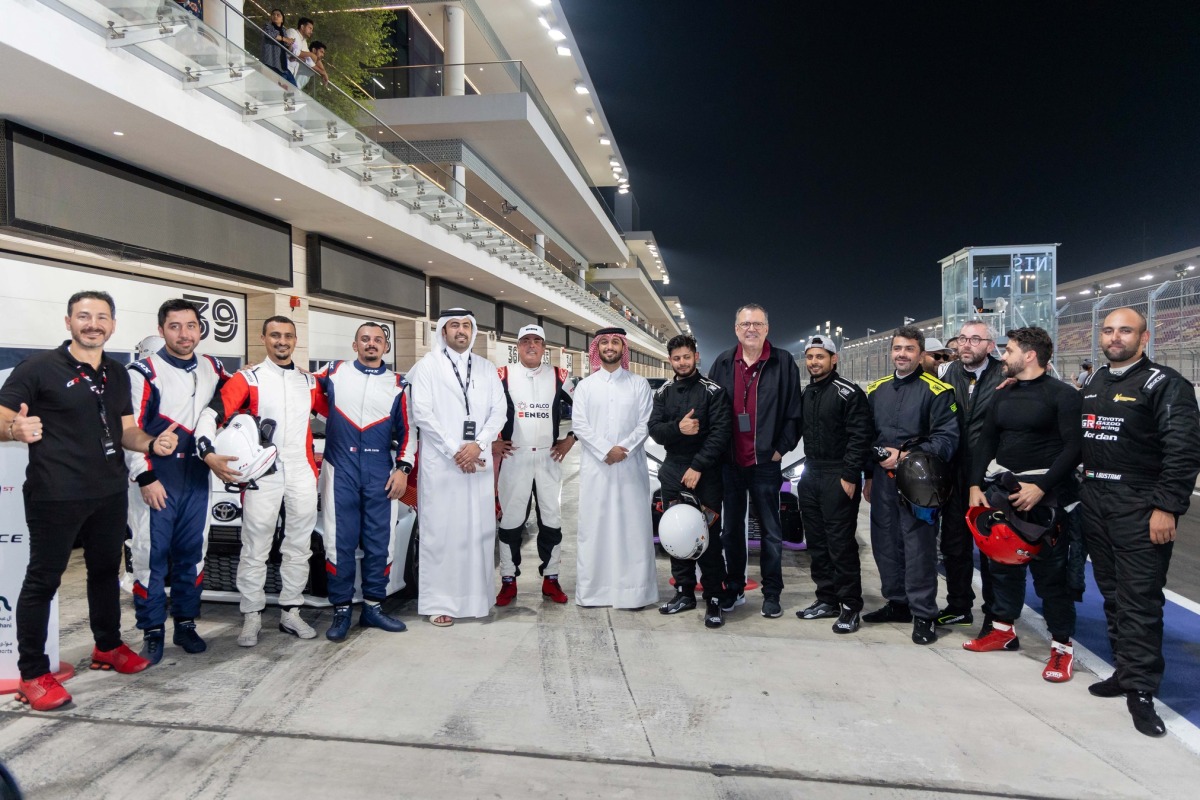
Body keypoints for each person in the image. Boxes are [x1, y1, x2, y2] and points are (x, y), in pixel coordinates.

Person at [0, 291, 158, 711]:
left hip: (108, 492)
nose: (93, 323)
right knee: (42, 582)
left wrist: (152, 442)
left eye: (102, 316)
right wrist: (14, 431)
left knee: (105, 572)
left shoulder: (117, 373)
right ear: (68, 321)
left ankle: (107, 647)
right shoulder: (38, 369)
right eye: (84, 316)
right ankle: (32, 674)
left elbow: (126, 430)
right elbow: (1, 414)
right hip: (56, 494)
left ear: (113, 325)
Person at [1079, 307, 1200, 737]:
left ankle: (1143, 691)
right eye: (1109, 330)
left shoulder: (1165, 384)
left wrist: (1167, 506)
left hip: (1140, 504)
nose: (1115, 337)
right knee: (1111, 595)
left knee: (1140, 601)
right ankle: (1125, 673)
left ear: (1144, 338)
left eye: (1125, 331)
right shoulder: (1094, 381)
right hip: (1095, 500)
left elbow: (1183, 451)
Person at [196, 316, 323, 647]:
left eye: (289, 336)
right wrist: (207, 450)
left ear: (296, 341)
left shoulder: (309, 382)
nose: (282, 341)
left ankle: (290, 611)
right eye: (275, 335)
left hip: (301, 469)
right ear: (264, 338)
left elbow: (343, 410)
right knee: (255, 545)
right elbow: (211, 414)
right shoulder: (248, 377)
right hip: (262, 473)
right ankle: (251, 615)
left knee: (299, 545)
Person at [966, 327, 1082, 683]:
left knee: (1051, 577)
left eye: (1011, 350)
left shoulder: (1063, 395)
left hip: (1047, 498)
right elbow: (986, 441)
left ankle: (1061, 648)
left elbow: (1075, 447)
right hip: (1003, 490)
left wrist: (1041, 486)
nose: (1004, 355)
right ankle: (1003, 630)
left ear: (1030, 355)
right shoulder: (1004, 394)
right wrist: (974, 485)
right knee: (1002, 565)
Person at [125, 299, 231, 664]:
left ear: (200, 330)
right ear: (161, 330)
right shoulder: (143, 373)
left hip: (197, 477)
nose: (184, 334)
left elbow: (234, 401)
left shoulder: (213, 367)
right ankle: (152, 632)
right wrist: (146, 476)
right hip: (158, 478)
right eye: (175, 326)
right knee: (149, 556)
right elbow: (130, 431)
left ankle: (186, 623)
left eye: (190, 326)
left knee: (192, 555)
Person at [313, 322, 416, 642]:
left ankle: (373, 607)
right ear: (354, 344)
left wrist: (403, 469)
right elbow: (293, 384)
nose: (371, 344)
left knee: (380, 541)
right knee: (336, 541)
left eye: (378, 340)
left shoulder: (399, 384)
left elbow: (411, 431)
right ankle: (341, 610)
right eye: (365, 339)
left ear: (386, 347)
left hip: (379, 470)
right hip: (339, 466)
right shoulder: (332, 373)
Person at [406, 309, 506, 627]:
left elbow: (499, 411)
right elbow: (422, 414)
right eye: (454, 326)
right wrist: (455, 450)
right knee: (441, 534)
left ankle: (478, 599)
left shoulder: (487, 368)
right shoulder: (426, 368)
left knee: (478, 533)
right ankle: (439, 602)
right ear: (443, 331)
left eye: (466, 325)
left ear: (473, 331)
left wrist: (478, 443)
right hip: (443, 465)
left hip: (477, 461)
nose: (461, 331)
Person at [863, 326, 959, 645]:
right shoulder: (876, 390)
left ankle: (924, 613)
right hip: (882, 483)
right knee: (885, 543)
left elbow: (947, 439)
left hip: (921, 482)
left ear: (920, 354)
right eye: (897, 348)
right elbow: (865, 437)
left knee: (918, 548)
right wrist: (868, 474)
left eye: (909, 349)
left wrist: (905, 455)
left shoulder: (937, 391)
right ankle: (898, 603)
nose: (902, 354)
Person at [707, 304, 802, 618]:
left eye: (757, 324)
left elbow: (793, 412)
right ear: (736, 329)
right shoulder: (722, 363)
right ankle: (734, 588)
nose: (751, 329)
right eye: (745, 324)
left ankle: (771, 593)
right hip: (730, 463)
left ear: (766, 328)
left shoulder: (783, 362)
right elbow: (710, 411)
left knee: (771, 532)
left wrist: (779, 450)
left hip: (765, 463)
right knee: (731, 530)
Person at [649, 334, 731, 628]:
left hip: (705, 472)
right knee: (674, 533)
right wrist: (678, 428)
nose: (681, 363)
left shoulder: (714, 391)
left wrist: (698, 466)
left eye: (686, 357)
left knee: (707, 535)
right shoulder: (663, 393)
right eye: (676, 358)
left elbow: (722, 434)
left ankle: (714, 597)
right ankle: (683, 592)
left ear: (696, 356)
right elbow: (656, 431)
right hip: (672, 469)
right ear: (669, 360)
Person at [572, 327, 657, 609]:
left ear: (623, 348)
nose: (610, 346)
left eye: (615, 342)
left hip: (630, 468)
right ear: (598, 348)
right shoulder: (585, 386)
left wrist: (623, 449)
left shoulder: (639, 384)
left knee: (632, 529)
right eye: (605, 342)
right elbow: (579, 425)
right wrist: (604, 449)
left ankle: (634, 592)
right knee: (595, 529)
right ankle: (595, 592)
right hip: (596, 470)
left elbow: (645, 424)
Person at [795, 335, 873, 634]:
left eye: (821, 356)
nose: (815, 362)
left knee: (841, 544)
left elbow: (859, 436)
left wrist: (851, 475)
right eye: (811, 357)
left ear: (833, 359)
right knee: (816, 542)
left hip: (838, 474)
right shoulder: (806, 394)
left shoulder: (848, 393)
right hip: (811, 473)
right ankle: (826, 599)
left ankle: (850, 606)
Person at [493, 325, 576, 607]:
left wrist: (571, 439)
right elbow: (483, 410)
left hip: (547, 457)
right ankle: (508, 581)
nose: (531, 345)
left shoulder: (559, 375)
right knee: (511, 522)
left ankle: (551, 579)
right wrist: (492, 441)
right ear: (518, 346)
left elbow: (587, 408)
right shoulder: (501, 374)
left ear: (544, 347)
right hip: (513, 457)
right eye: (526, 340)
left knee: (551, 520)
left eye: (537, 341)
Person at [936, 321, 1005, 632]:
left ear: (990, 346)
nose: (966, 344)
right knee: (954, 543)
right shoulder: (948, 374)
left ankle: (995, 615)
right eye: (963, 338)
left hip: (990, 475)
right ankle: (958, 605)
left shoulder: (1006, 374)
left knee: (992, 547)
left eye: (975, 339)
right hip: (954, 472)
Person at [261, 9, 294, 84]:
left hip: (281, 66)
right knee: (269, 86)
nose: (275, 16)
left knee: (290, 88)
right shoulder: (267, 26)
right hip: (270, 62)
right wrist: (284, 39)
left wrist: (290, 43)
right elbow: (269, 34)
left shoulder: (283, 30)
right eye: (273, 14)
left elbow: (288, 50)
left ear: (282, 20)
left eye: (278, 15)